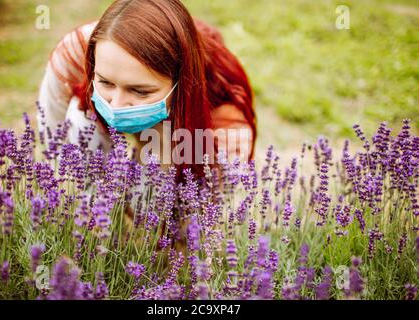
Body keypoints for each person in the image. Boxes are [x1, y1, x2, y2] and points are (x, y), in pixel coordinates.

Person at [37, 0, 257, 250]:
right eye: (106, 82)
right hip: (99, 126)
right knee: (77, 123)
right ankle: (95, 239)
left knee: (162, 208)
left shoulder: (221, 105)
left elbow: (205, 209)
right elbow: (53, 139)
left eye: (140, 91)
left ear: (181, 83)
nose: (117, 105)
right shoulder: (75, 53)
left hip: (180, 124)